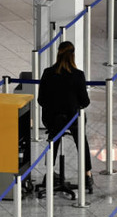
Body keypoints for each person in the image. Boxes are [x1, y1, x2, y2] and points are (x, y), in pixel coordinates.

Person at [38, 41, 95, 193]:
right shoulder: (78, 75)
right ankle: (87, 174)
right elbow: (85, 101)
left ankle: (49, 172)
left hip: (53, 120)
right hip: (73, 119)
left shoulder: (47, 73)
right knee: (81, 140)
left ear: (58, 53)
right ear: (73, 55)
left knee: (53, 138)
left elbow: (41, 100)